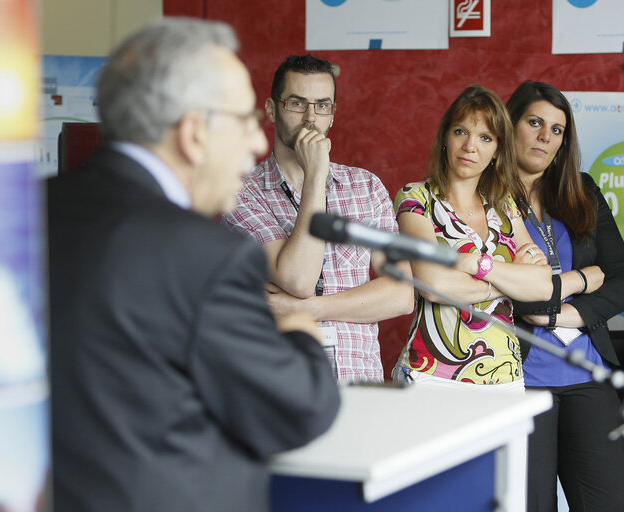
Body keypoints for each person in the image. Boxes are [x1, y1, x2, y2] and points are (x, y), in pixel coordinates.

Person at [47, 18, 340, 512]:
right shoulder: (207, 257)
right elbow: (298, 409)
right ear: (193, 133)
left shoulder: (24, 214)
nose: (257, 144)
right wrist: (301, 332)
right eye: (246, 121)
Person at [223, 54, 413, 383]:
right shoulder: (240, 192)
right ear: (271, 109)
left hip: (360, 383)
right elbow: (299, 279)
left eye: (322, 105)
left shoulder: (366, 187)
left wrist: (310, 309)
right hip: (282, 383)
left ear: (333, 113)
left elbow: (401, 295)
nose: (311, 118)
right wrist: (316, 177)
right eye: (297, 103)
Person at [506, 81, 624, 512]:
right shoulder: (482, 196)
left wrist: (567, 315)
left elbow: (623, 279)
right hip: (517, 380)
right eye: (535, 122)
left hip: (588, 376)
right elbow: (503, 290)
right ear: (510, 124)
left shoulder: (580, 189)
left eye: (558, 130)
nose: (546, 137)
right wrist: (582, 279)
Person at [391, 84, 552, 390]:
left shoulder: (506, 206)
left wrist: (475, 264)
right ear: (445, 139)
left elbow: (543, 285)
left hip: (506, 374)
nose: (470, 146)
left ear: (497, 151)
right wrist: (507, 283)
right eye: (461, 132)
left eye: (485, 138)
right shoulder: (416, 198)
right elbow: (434, 286)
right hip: (432, 374)